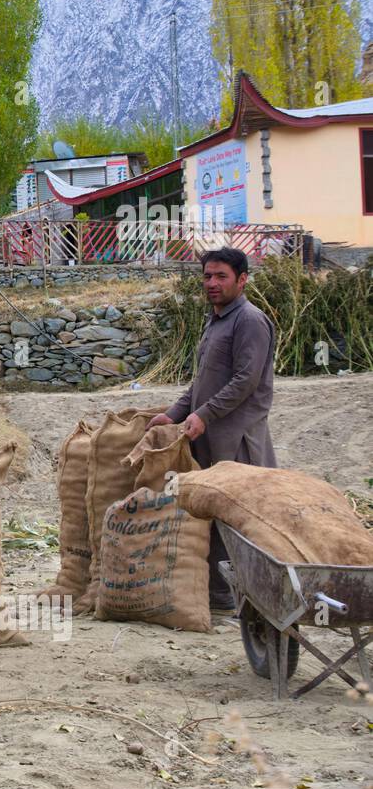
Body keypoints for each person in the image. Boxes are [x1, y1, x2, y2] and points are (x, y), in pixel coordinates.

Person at [148, 247, 277, 612]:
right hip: (207, 435)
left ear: (242, 279)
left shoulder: (250, 320)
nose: (212, 283)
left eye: (221, 276)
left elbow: (245, 381)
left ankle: (238, 597)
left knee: (235, 516)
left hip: (237, 440)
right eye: (207, 276)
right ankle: (217, 594)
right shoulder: (216, 320)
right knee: (209, 513)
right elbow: (202, 381)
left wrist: (204, 414)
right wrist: (173, 414)